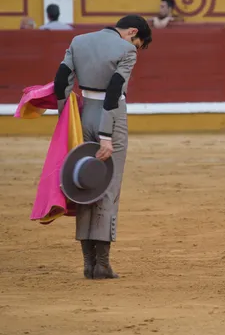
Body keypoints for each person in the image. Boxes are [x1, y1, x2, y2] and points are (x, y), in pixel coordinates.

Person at [53, 15, 152, 280]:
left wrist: (67, 118)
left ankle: (88, 263)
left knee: (85, 185)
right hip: (111, 118)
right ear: (132, 32)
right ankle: (102, 265)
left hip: (84, 114)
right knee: (108, 186)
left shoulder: (78, 41)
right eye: (138, 42)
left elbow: (61, 80)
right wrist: (106, 135)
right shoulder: (127, 49)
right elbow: (114, 90)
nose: (136, 47)